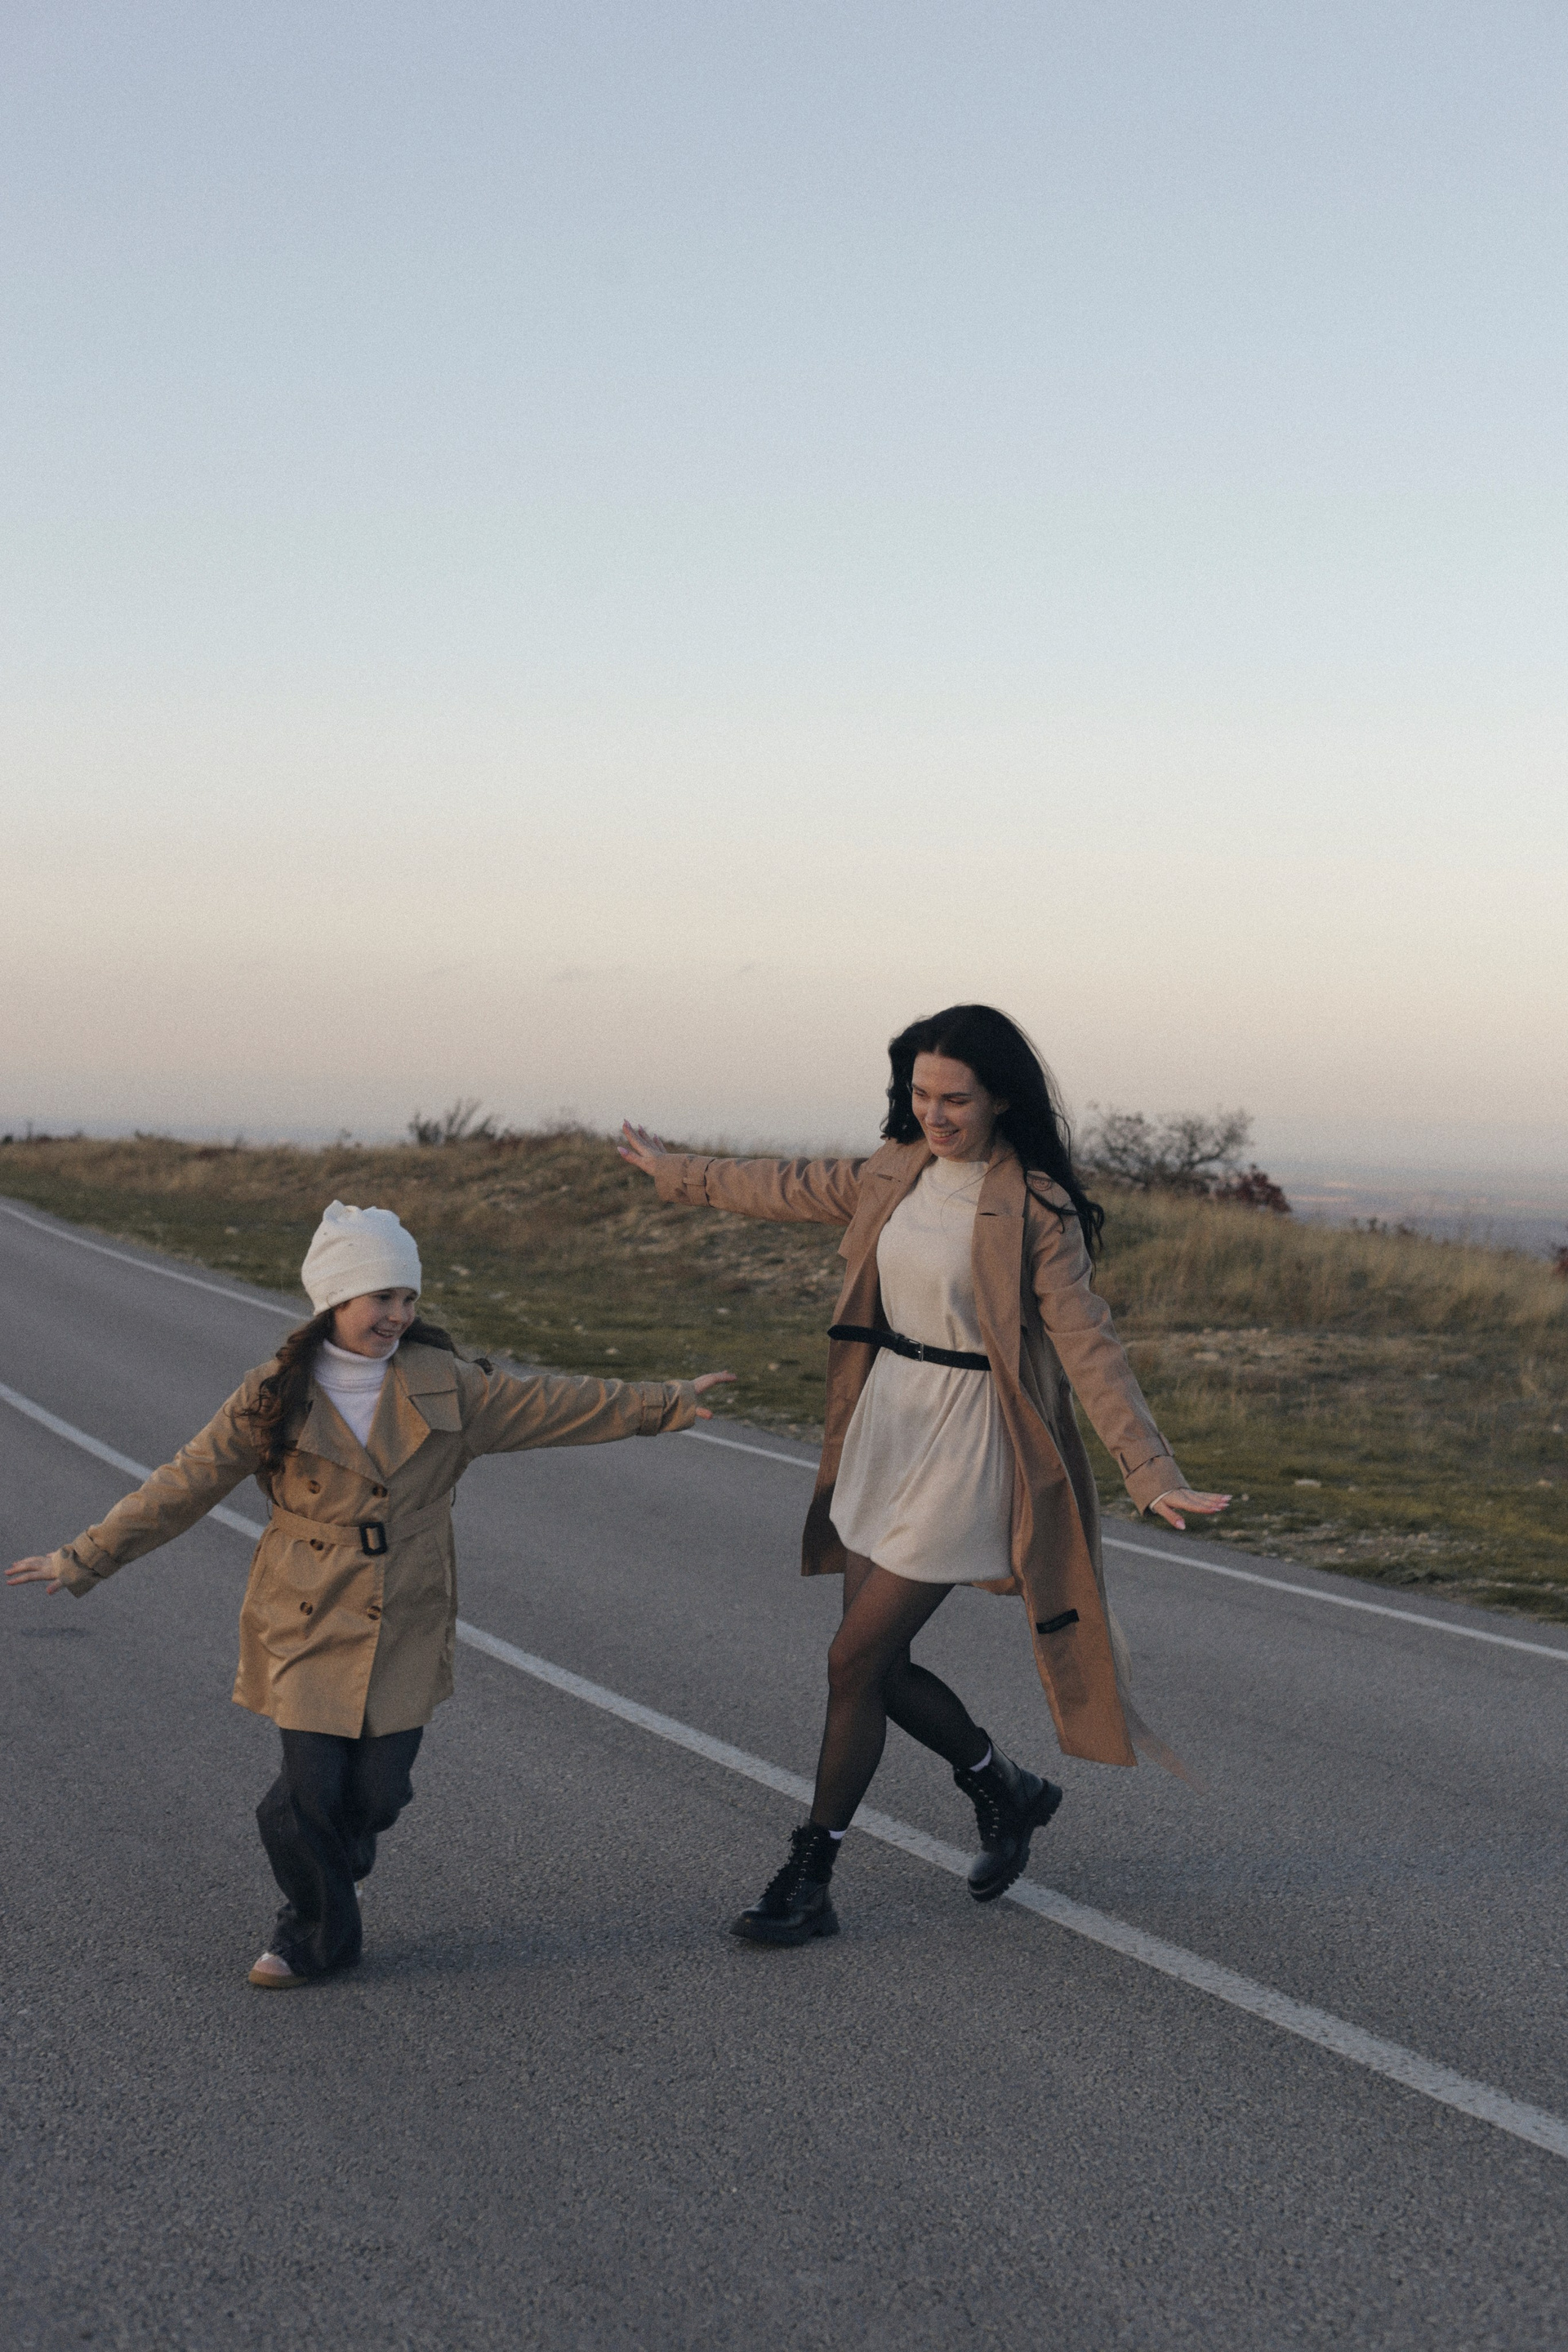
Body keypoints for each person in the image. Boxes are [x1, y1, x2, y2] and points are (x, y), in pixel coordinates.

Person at [620, 1004, 1228, 1946]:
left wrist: (1149, 1471)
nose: (934, 1115)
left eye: (956, 1099)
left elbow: (1088, 1343)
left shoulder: (1035, 1208)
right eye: (921, 1094)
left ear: (1000, 1100)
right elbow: (783, 1184)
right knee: (879, 1666)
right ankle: (1002, 1787)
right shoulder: (895, 1169)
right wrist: (674, 1171)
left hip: (969, 1441)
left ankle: (810, 1874)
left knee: (850, 1660)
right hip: (889, 1420)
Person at [8, 1200, 733, 1989]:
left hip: (407, 1607)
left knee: (377, 1793)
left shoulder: (448, 1387)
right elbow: (184, 1484)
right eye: (380, 1297)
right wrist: (82, 1558)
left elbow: (552, 1403)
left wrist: (664, 1402)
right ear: (334, 1300)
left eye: (407, 1298)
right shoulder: (272, 1393)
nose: (397, 1315)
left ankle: (326, 1857)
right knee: (311, 1791)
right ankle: (312, 1935)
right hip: (306, 1606)